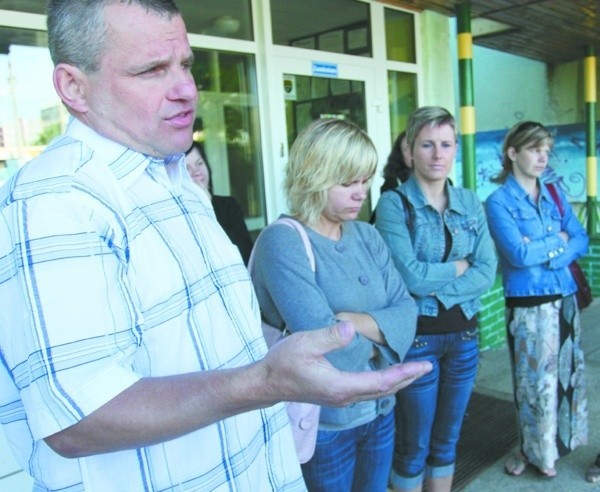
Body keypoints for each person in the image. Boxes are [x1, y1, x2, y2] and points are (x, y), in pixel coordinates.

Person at [0, 2, 433, 491]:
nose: (187, 89)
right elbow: (78, 419)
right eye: (151, 70)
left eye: (185, 64)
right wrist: (266, 382)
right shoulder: (57, 199)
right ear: (74, 87)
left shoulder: (176, 179)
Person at [250, 117, 420, 492]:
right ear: (313, 175)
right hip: (322, 422)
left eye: (365, 180)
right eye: (347, 182)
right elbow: (326, 348)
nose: (361, 193)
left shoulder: (367, 234)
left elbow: (409, 313)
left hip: (380, 410)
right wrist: (383, 338)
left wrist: (350, 321)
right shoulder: (282, 241)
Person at [375, 106, 497, 492]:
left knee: (446, 443)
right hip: (417, 340)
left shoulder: (469, 202)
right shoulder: (395, 205)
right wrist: (459, 267)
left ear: (455, 149)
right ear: (410, 150)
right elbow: (409, 275)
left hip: (464, 338)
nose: (437, 154)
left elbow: (487, 270)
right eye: (427, 144)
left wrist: (435, 284)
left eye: (445, 144)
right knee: (413, 446)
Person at [485, 121, 588, 478]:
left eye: (546, 150)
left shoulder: (554, 192)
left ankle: (559, 446)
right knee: (534, 384)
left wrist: (551, 252)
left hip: (565, 297)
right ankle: (539, 454)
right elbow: (517, 254)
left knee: (566, 379)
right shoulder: (498, 201)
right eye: (533, 149)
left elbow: (581, 238)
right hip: (530, 303)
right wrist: (559, 242)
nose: (542, 157)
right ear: (512, 153)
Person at [185, 141, 254, 265]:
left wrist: (208, 206)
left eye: (199, 163)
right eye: (186, 168)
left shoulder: (229, 205)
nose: (196, 172)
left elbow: (246, 253)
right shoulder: (178, 216)